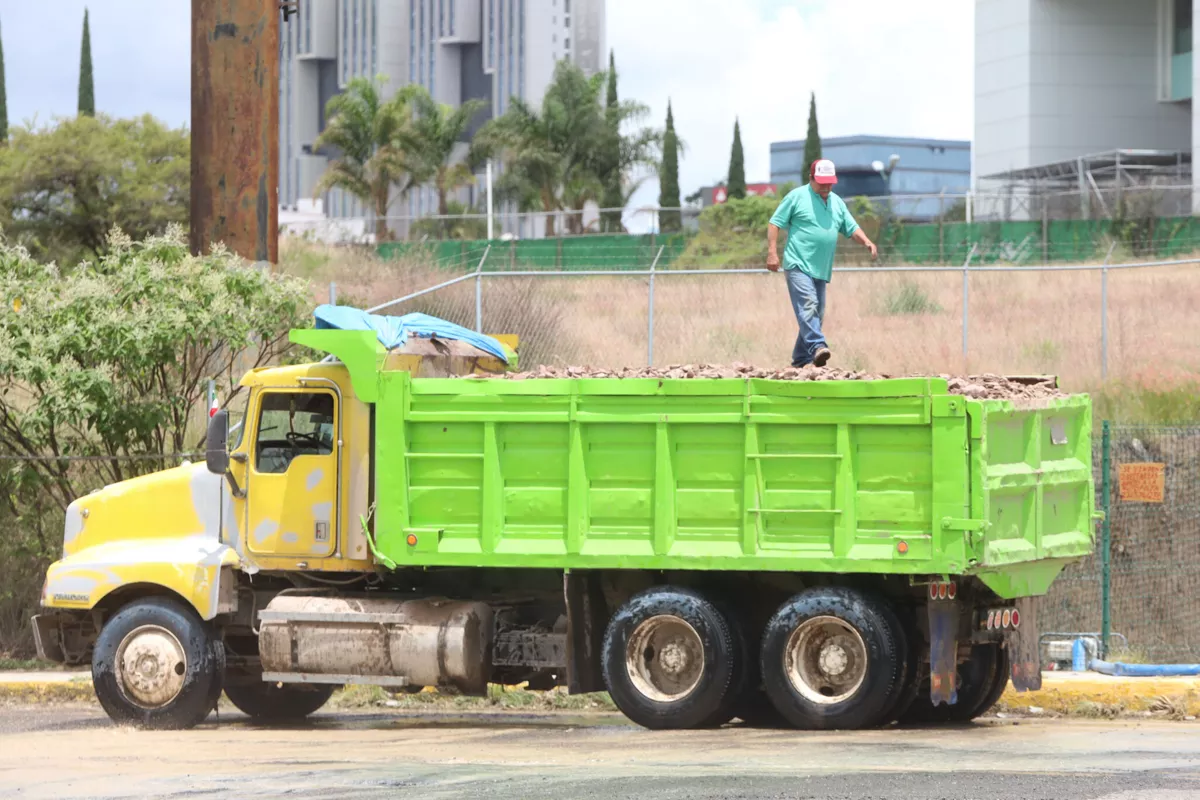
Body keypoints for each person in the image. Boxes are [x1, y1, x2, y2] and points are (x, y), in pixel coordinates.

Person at [767, 159, 878, 368]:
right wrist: (772, 253)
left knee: (817, 314)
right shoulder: (797, 197)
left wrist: (867, 241)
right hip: (798, 263)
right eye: (822, 183)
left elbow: (851, 227)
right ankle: (818, 346)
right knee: (808, 305)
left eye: (830, 183)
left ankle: (800, 359)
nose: (826, 187)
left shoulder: (837, 202)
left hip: (821, 268)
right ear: (811, 179)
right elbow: (775, 223)